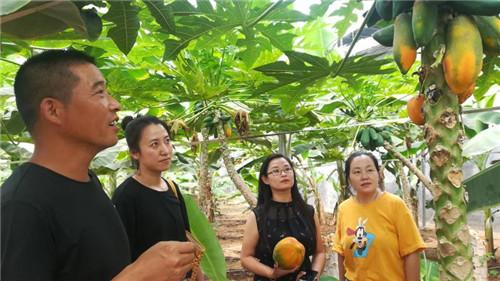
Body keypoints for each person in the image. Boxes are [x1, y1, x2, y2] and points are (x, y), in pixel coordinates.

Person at [1, 49, 196, 281]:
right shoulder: (22, 207)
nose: (115, 104)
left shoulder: (86, 182)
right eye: (100, 92)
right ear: (53, 110)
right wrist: (138, 276)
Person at [113, 115, 203, 280]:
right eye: (155, 144)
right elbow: (122, 257)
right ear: (134, 152)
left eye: (167, 141)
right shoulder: (126, 196)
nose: (165, 150)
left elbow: (187, 240)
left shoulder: (172, 187)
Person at [333, 151, 425, 281]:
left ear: (379, 174)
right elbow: (341, 253)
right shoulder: (344, 209)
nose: (364, 176)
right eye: (357, 172)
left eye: (370, 170)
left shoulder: (395, 205)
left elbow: (411, 251)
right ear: (349, 179)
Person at [241, 154, 326, 281]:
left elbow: (320, 252)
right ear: (265, 179)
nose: (283, 174)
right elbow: (246, 258)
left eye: (287, 169)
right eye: (276, 171)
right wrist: (271, 273)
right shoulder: (258, 216)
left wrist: (313, 276)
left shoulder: (308, 212)